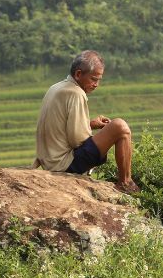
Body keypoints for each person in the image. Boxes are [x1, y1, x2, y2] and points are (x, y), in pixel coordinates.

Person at [34, 49, 136, 192]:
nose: (96, 85)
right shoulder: (76, 93)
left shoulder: (56, 87)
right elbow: (77, 140)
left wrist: (91, 124)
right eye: (93, 79)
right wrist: (104, 137)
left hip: (50, 161)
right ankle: (126, 182)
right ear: (78, 74)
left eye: (98, 80)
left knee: (114, 128)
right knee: (120, 127)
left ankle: (125, 181)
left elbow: (63, 127)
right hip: (64, 165)